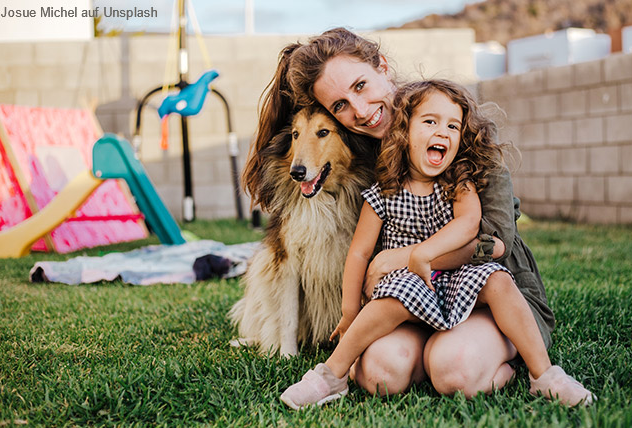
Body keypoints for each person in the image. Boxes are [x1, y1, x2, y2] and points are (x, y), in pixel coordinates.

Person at [243, 28, 594, 405]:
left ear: (383, 67)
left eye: (361, 86)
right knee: (379, 374)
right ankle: (345, 374)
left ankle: (516, 368)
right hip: (408, 298)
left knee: (455, 370)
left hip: (483, 297)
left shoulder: (456, 136)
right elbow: (354, 247)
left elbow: (493, 244)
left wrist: (403, 258)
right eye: (341, 105)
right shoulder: (364, 159)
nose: (359, 111)